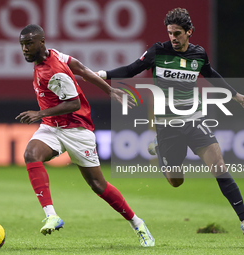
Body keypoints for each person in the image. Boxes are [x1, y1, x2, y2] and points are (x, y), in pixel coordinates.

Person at [97, 8, 244, 235]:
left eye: (177, 33)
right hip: (167, 124)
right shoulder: (158, 51)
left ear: (189, 32)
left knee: (219, 167)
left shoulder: (198, 54)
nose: (172, 38)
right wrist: (103, 74)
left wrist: (235, 95)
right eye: (170, 33)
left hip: (195, 119)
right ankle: (160, 149)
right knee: (176, 181)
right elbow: (131, 69)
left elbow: (211, 74)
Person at [16, 24, 154, 247]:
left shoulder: (54, 71)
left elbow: (74, 103)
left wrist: (39, 113)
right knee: (31, 154)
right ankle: (51, 214)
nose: (24, 49)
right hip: (52, 127)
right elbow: (80, 67)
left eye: (29, 44)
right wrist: (109, 89)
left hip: (77, 130)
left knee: (98, 185)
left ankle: (137, 223)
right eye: (22, 44)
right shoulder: (53, 55)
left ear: (41, 42)